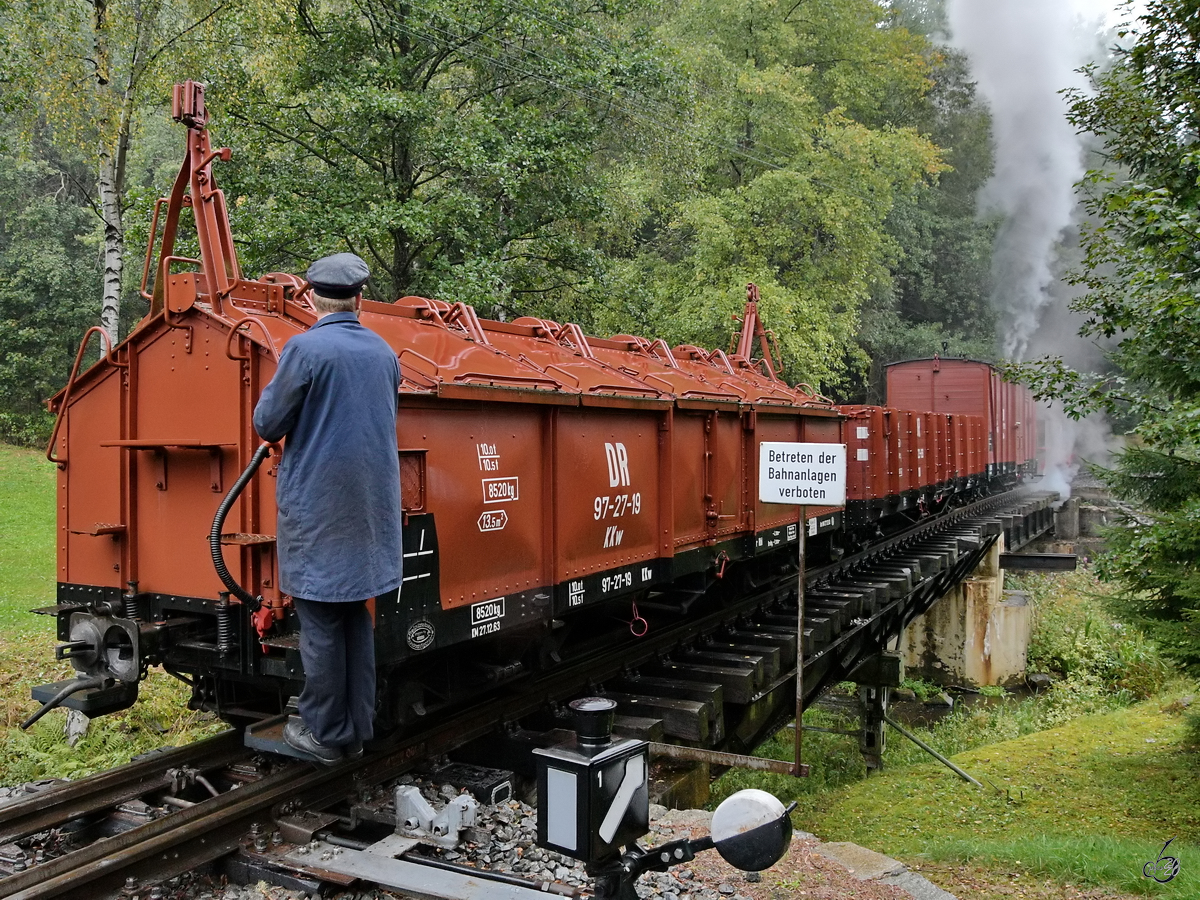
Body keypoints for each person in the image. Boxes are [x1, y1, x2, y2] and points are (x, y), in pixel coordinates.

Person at [253, 252, 402, 765]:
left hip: (319, 510)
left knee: (319, 618)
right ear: (359, 299)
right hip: (371, 511)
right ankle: (356, 729)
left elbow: (268, 423)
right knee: (354, 617)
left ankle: (325, 734)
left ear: (313, 299)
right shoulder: (384, 353)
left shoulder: (305, 348)